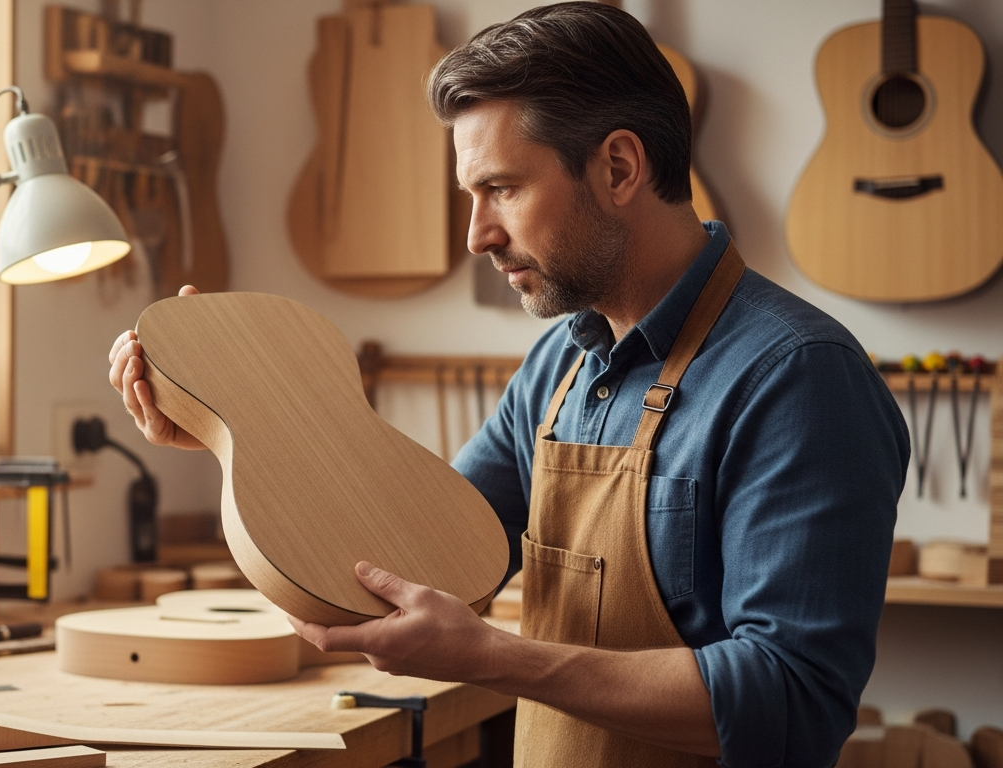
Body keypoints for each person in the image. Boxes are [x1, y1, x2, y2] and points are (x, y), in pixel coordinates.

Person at [108, 4, 909, 766]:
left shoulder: (797, 377)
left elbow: (793, 702)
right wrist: (235, 422)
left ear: (620, 167)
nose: (476, 235)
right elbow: (407, 563)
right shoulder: (558, 366)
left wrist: (500, 659)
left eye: (502, 189)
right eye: (472, 196)